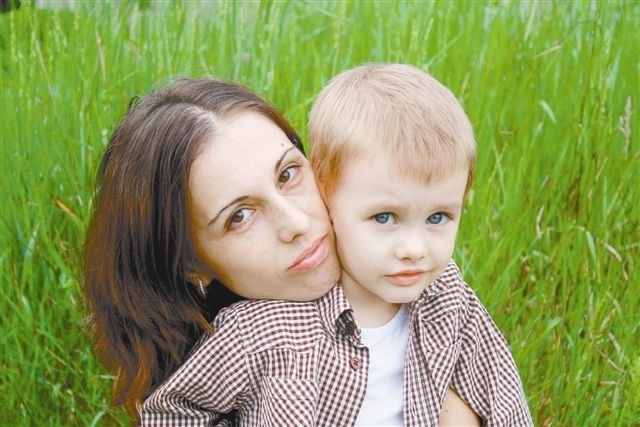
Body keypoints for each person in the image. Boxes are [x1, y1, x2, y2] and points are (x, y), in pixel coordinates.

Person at [141, 65, 532, 426]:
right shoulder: (260, 333)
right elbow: (173, 411)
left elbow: (504, 398)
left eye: (438, 218)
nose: (414, 248)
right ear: (331, 194)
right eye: (384, 218)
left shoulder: (448, 299)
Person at [82, 78, 341, 421]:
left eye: (288, 174)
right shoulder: (233, 357)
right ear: (191, 264)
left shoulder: (417, 249)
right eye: (240, 216)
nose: (296, 224)